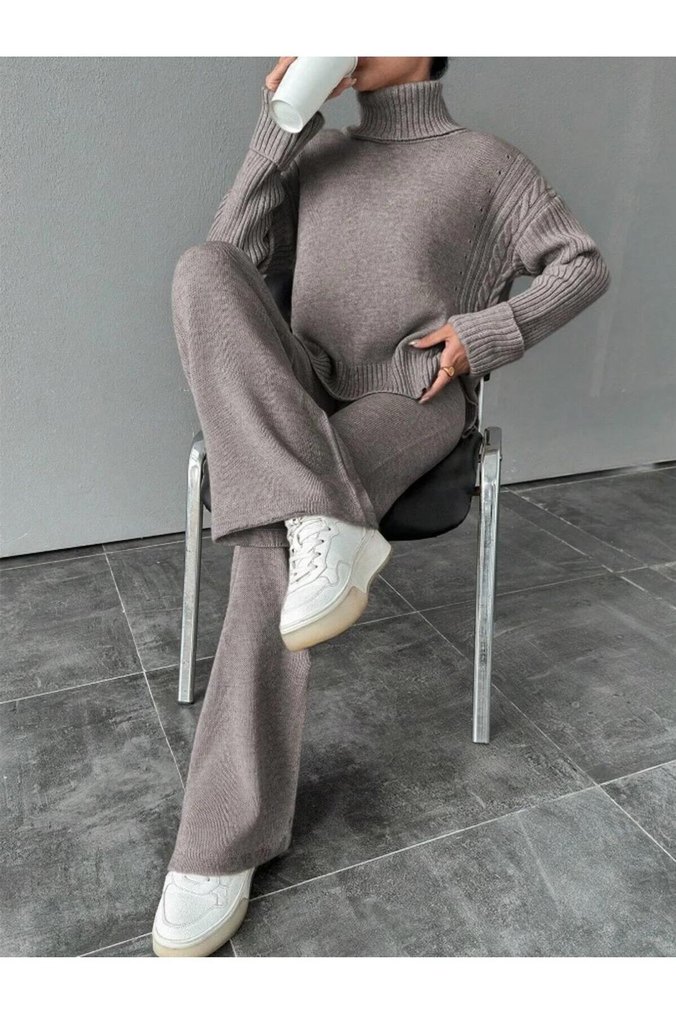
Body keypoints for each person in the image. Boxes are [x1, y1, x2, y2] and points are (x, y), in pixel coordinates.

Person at [152, 56, 611, 956]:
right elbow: (232, 268)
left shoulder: (488, 164)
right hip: (302, 398)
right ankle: (322, 519)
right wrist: (282, 125)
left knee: (271, 540)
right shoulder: (315, 156)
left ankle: (218, 842)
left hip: (413, 398)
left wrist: (485, 334)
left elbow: (580, 265)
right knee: (199, 267)